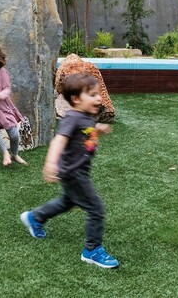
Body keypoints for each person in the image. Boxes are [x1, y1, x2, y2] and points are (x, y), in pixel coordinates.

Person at [20, 72, 119, 269]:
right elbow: (59, 140)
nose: (98, 98)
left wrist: (98, 128)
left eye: (98, 94)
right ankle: (92, 250)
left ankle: (35, 217)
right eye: (91, 94)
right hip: (74, 173)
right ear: (75, 99)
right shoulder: (72, 118)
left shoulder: (84, 117)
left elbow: (85, 131)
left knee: (67, 202)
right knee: (96, 208)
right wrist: (50, 163)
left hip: (76, 171)